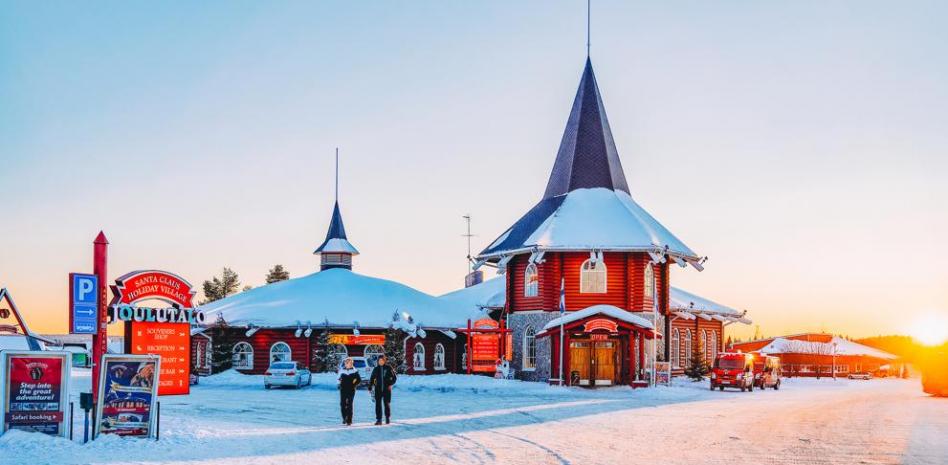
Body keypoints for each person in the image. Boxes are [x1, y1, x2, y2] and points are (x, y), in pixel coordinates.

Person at [368, 354, 397, 425]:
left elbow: (394, 378)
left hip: (387, 389)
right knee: (378, 404)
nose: (380, 362)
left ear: (384, 361)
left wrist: (390, 384)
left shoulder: (388, 368)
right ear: (378, 361)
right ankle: (379, 419)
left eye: (382, 360)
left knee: (386, 403)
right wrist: (370, 386)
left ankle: (387, 418)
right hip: (378, 389)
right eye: (379, 360)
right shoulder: (376, 369)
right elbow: (372, 378)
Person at [337, 357, 361, 426]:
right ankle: (345, 418)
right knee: (343, 404)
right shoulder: (342, 370)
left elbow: (359, 380)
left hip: (351, 390)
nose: (347, 364)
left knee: (349, 404)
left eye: (349, 362)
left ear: (351, 363)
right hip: (343, 389)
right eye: (346, 362)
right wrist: (339, 384)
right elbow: (338, 378)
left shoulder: (354, 371)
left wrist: (354, 384)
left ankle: (349, 420)